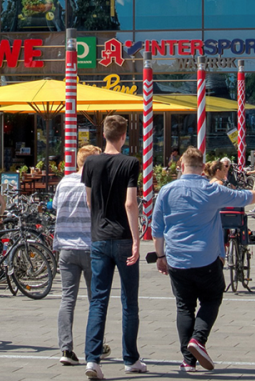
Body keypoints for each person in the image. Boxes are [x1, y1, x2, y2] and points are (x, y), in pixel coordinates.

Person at [152, 148, 255, 373]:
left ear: (181, 166)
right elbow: (242, 197)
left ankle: (187, 361)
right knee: (212, 298)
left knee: (184, 307)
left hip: (177, 258)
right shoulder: (210, 189)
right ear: (202, 168)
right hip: (205, 258)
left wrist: (160, 256)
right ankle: (198, 340)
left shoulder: (166, 191)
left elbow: (157, 228)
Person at [82, 114, 145, 379]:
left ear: (104, 135)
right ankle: (130, 358)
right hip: (122, 237)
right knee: (129, 301)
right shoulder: (130, 163)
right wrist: (137, 238)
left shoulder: (90, 163)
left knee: (98, 299)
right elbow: (130, 203)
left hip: (99, 237)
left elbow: (88, 201)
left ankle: (92, 359)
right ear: (123, 137)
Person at [55, 145, 104, 366]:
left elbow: (55, 206)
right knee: (96, 300)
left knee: (67, 299)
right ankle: (95, 346)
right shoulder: (95, 183)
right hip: (91, 246)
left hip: (66, 248)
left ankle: (66, 348)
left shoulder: (64, 182)